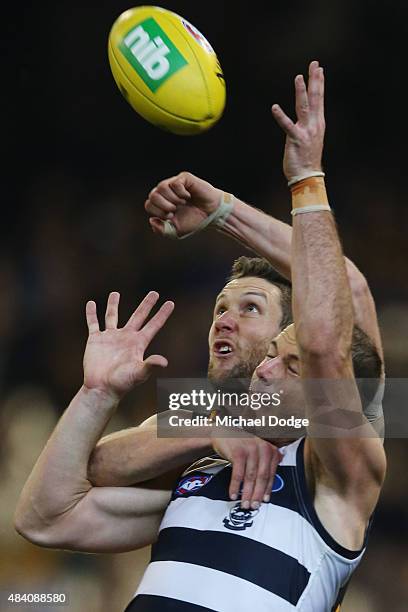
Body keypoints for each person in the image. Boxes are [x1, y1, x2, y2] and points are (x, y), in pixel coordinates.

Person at [15, 61, 386, 611]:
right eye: (220, 307)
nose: (224, 320)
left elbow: (342, 298)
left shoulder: (343, 449)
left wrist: (231, 210)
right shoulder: (197, 439)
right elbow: (56, 503)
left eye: (252, 308)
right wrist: (104, 396)